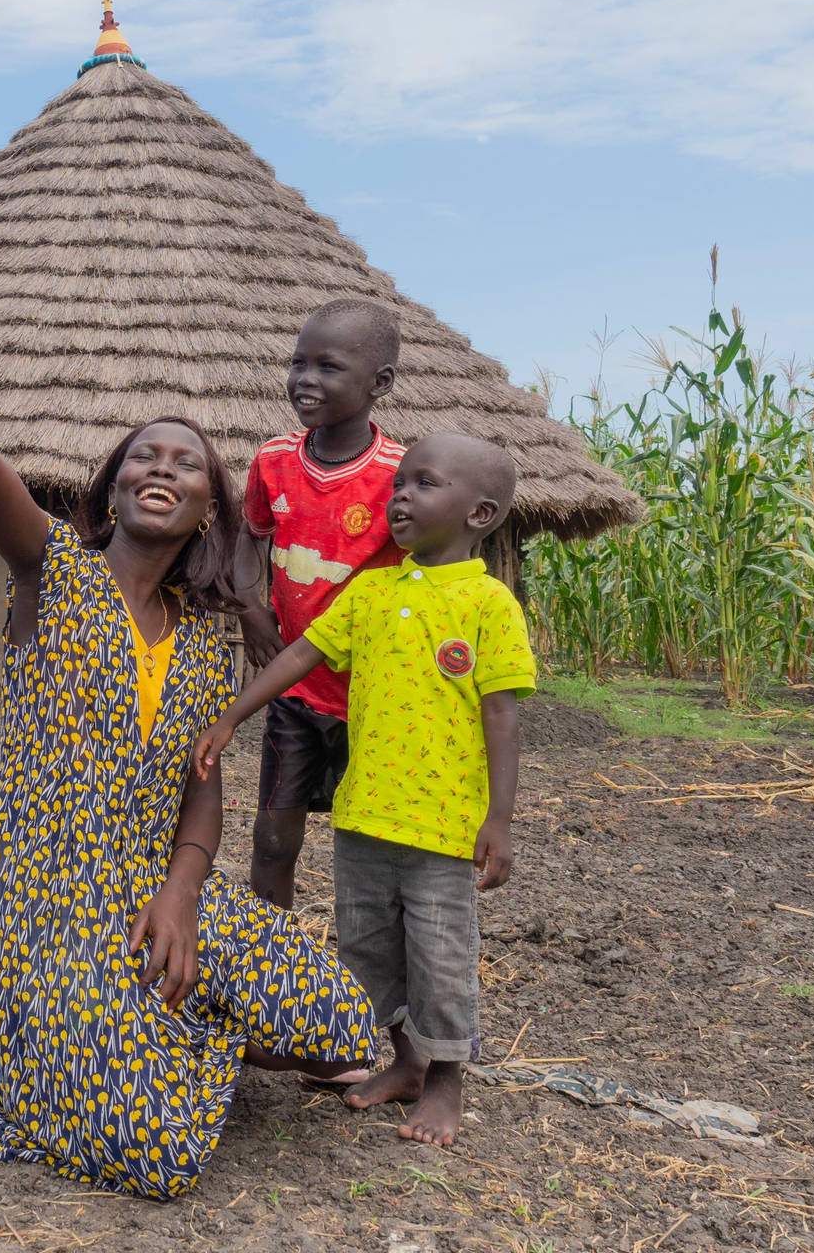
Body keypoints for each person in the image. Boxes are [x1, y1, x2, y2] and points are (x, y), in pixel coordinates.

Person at [0, 170, 376, 1200]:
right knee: (151, 1151)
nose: (162, 467)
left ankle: (151, 1014)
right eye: (141, 457)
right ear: (111, 487)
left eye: (187, 463)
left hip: (151, 885)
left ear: (208, 505)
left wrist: (180, 897)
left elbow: (204, 784)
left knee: (340, 1028)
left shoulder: (206, 638)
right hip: (45, 893)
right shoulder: (49, 577)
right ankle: (129, 1033)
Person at [195, 433, 534, 1148]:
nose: (400, 494)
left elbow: (502, 715)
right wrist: (232, 714)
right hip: (363, 817)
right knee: (367, 948)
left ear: (479, 514)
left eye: (423, 483)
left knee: (439, 955)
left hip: (442, 828)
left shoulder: (488, 604)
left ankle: (446, 1083)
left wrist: (501, 818)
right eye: (399, 482)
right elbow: (299, 653)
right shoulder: (372, 591)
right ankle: (405, 1063)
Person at [234, 301, 404, 909]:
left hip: (371, 698)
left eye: (328, 366)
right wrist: (252, 607)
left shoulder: (400, 477)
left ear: (379, 383)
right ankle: (269, 960)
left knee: (371, 844)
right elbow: (250, 537)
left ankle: (373, 977)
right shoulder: (273, 462)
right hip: (295, 691)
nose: (306, 379)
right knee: (274, 838)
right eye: (298, 362)